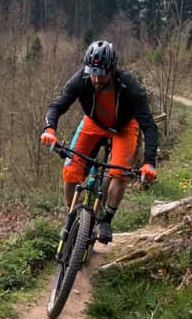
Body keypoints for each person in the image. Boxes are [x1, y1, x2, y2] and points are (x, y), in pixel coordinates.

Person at [39, 40, 160, 244]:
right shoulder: (82, 78)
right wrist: (49, 130)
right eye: (92, 72)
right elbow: (57, 106)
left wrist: (149, 163)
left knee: (119, 173)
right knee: (71, 170)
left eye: (101, 74)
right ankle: (74, 216)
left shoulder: (130, 85)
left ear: (112, 70)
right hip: (93, 123)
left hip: (124, 127)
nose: (96, 78)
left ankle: (106, 221)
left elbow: (149, 126)